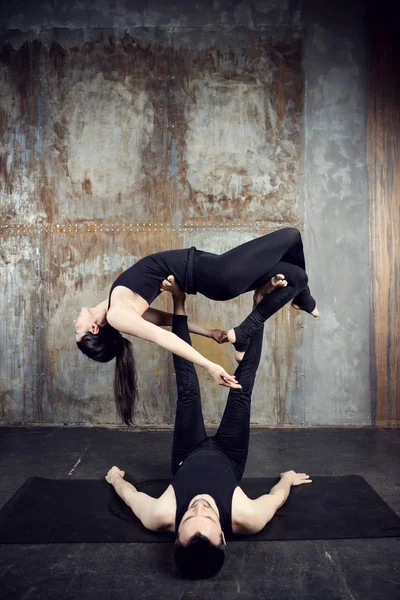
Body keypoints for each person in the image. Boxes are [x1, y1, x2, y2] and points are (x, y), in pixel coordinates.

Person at [105, 278, 312, 579]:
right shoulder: (248, 518)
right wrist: (288, 480)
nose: (200, 506)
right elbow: (276, 497)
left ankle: (178, 302)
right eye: (210, 517)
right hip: (230, 456)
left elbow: (129, 495)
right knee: (244, 387)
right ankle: (261, 303)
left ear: (175, 533)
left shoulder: (159, 515)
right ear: (224, 537)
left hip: (187, 454)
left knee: (188, 387)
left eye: (189, 514)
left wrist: (114, 479)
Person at [75, 227, 318, 423]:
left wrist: (209, 333)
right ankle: (272, 316)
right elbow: (165, 338)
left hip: (213, 273)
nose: (75, 322)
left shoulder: (114, 306)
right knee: (290, 236)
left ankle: (280, 310)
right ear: (94, 329)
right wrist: (210, 366)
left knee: (296, 276)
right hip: (217, 274)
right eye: (78, 329)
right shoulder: (117, 314)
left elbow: (165, 320)